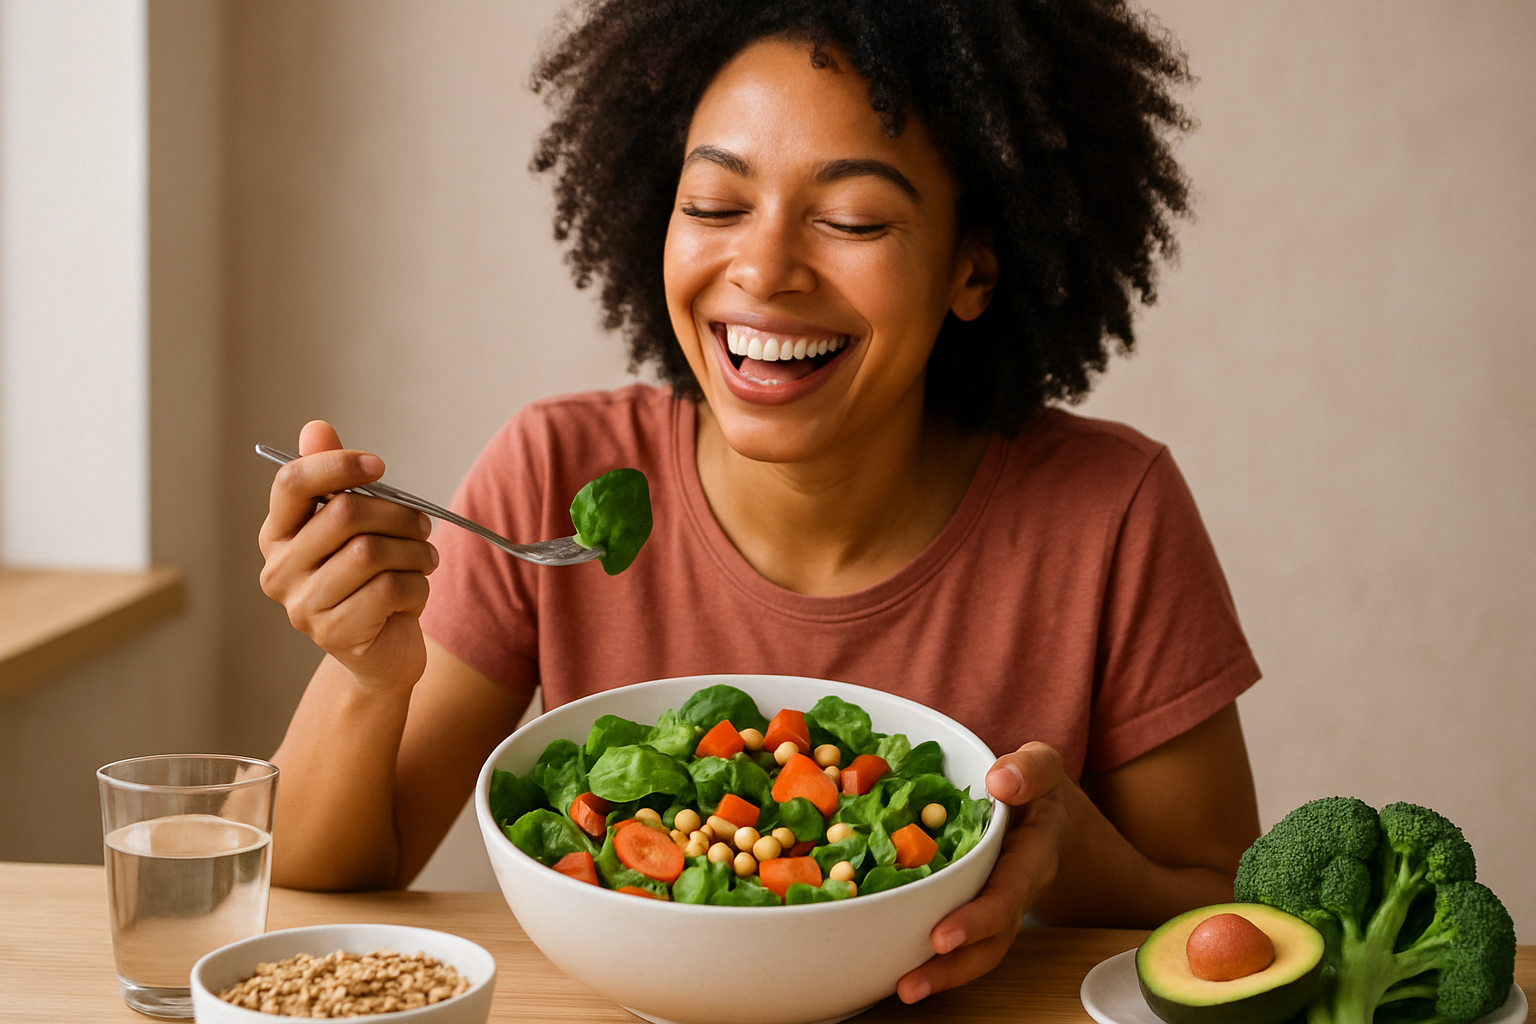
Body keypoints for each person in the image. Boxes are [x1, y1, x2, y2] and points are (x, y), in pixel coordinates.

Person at [258, 0, 1263, 1005]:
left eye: (852, 220)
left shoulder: (1112, 512)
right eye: (714, 205)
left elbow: (1235, 924)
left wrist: (1062, 850)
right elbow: (313, 890)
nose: (764, 269)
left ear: (973, 266)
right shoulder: (556, 471)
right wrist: (365, 675)